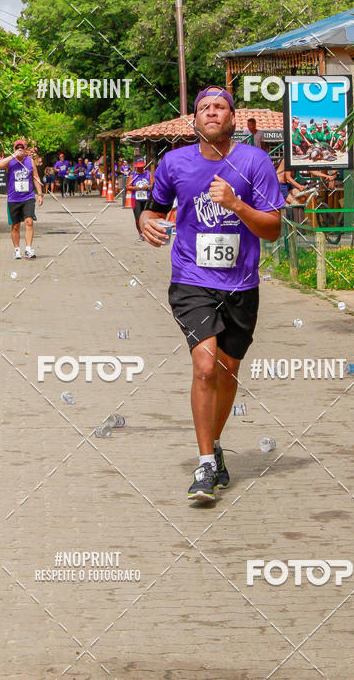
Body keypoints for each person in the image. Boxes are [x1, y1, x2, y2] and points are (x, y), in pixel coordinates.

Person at [140, 86, 286, 503]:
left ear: (232, 119)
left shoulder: (254, 161)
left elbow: (273, 228)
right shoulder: (174, 162)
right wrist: (145, 223)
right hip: (191, 278)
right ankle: (205, 464)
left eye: (219, 107)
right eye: (203, 108)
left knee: (226, 371)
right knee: (204, 367)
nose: (211, 113)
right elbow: (152, 206)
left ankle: (215, 445)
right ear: (194, 121)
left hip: (241, 284)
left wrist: (238, 205)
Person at [0, 139, 43, 259]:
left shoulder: (30, 161)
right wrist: (13, 156)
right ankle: (17, 249)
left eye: (21, 147)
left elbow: (36, 177)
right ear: (14, 149)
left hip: (28, 197)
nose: (19, 149)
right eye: (17, 148)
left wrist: (40, 194)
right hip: (13, 198)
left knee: (29, 222)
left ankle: (28, 248)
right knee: (15, 226)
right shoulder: (10, 162)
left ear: (25, 149)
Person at [127, 159, 152, 240]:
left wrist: (147, 186)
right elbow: (127, 186)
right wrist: (135, 188)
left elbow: (154, 185)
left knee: (147, 217)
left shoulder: (148, 174)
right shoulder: (133, 175)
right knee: (138, 218)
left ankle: (147, 233)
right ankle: (140, 234)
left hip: (147, 198)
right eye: (138, 167)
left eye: (141, 167)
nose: (139, 168)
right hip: (136, 199)